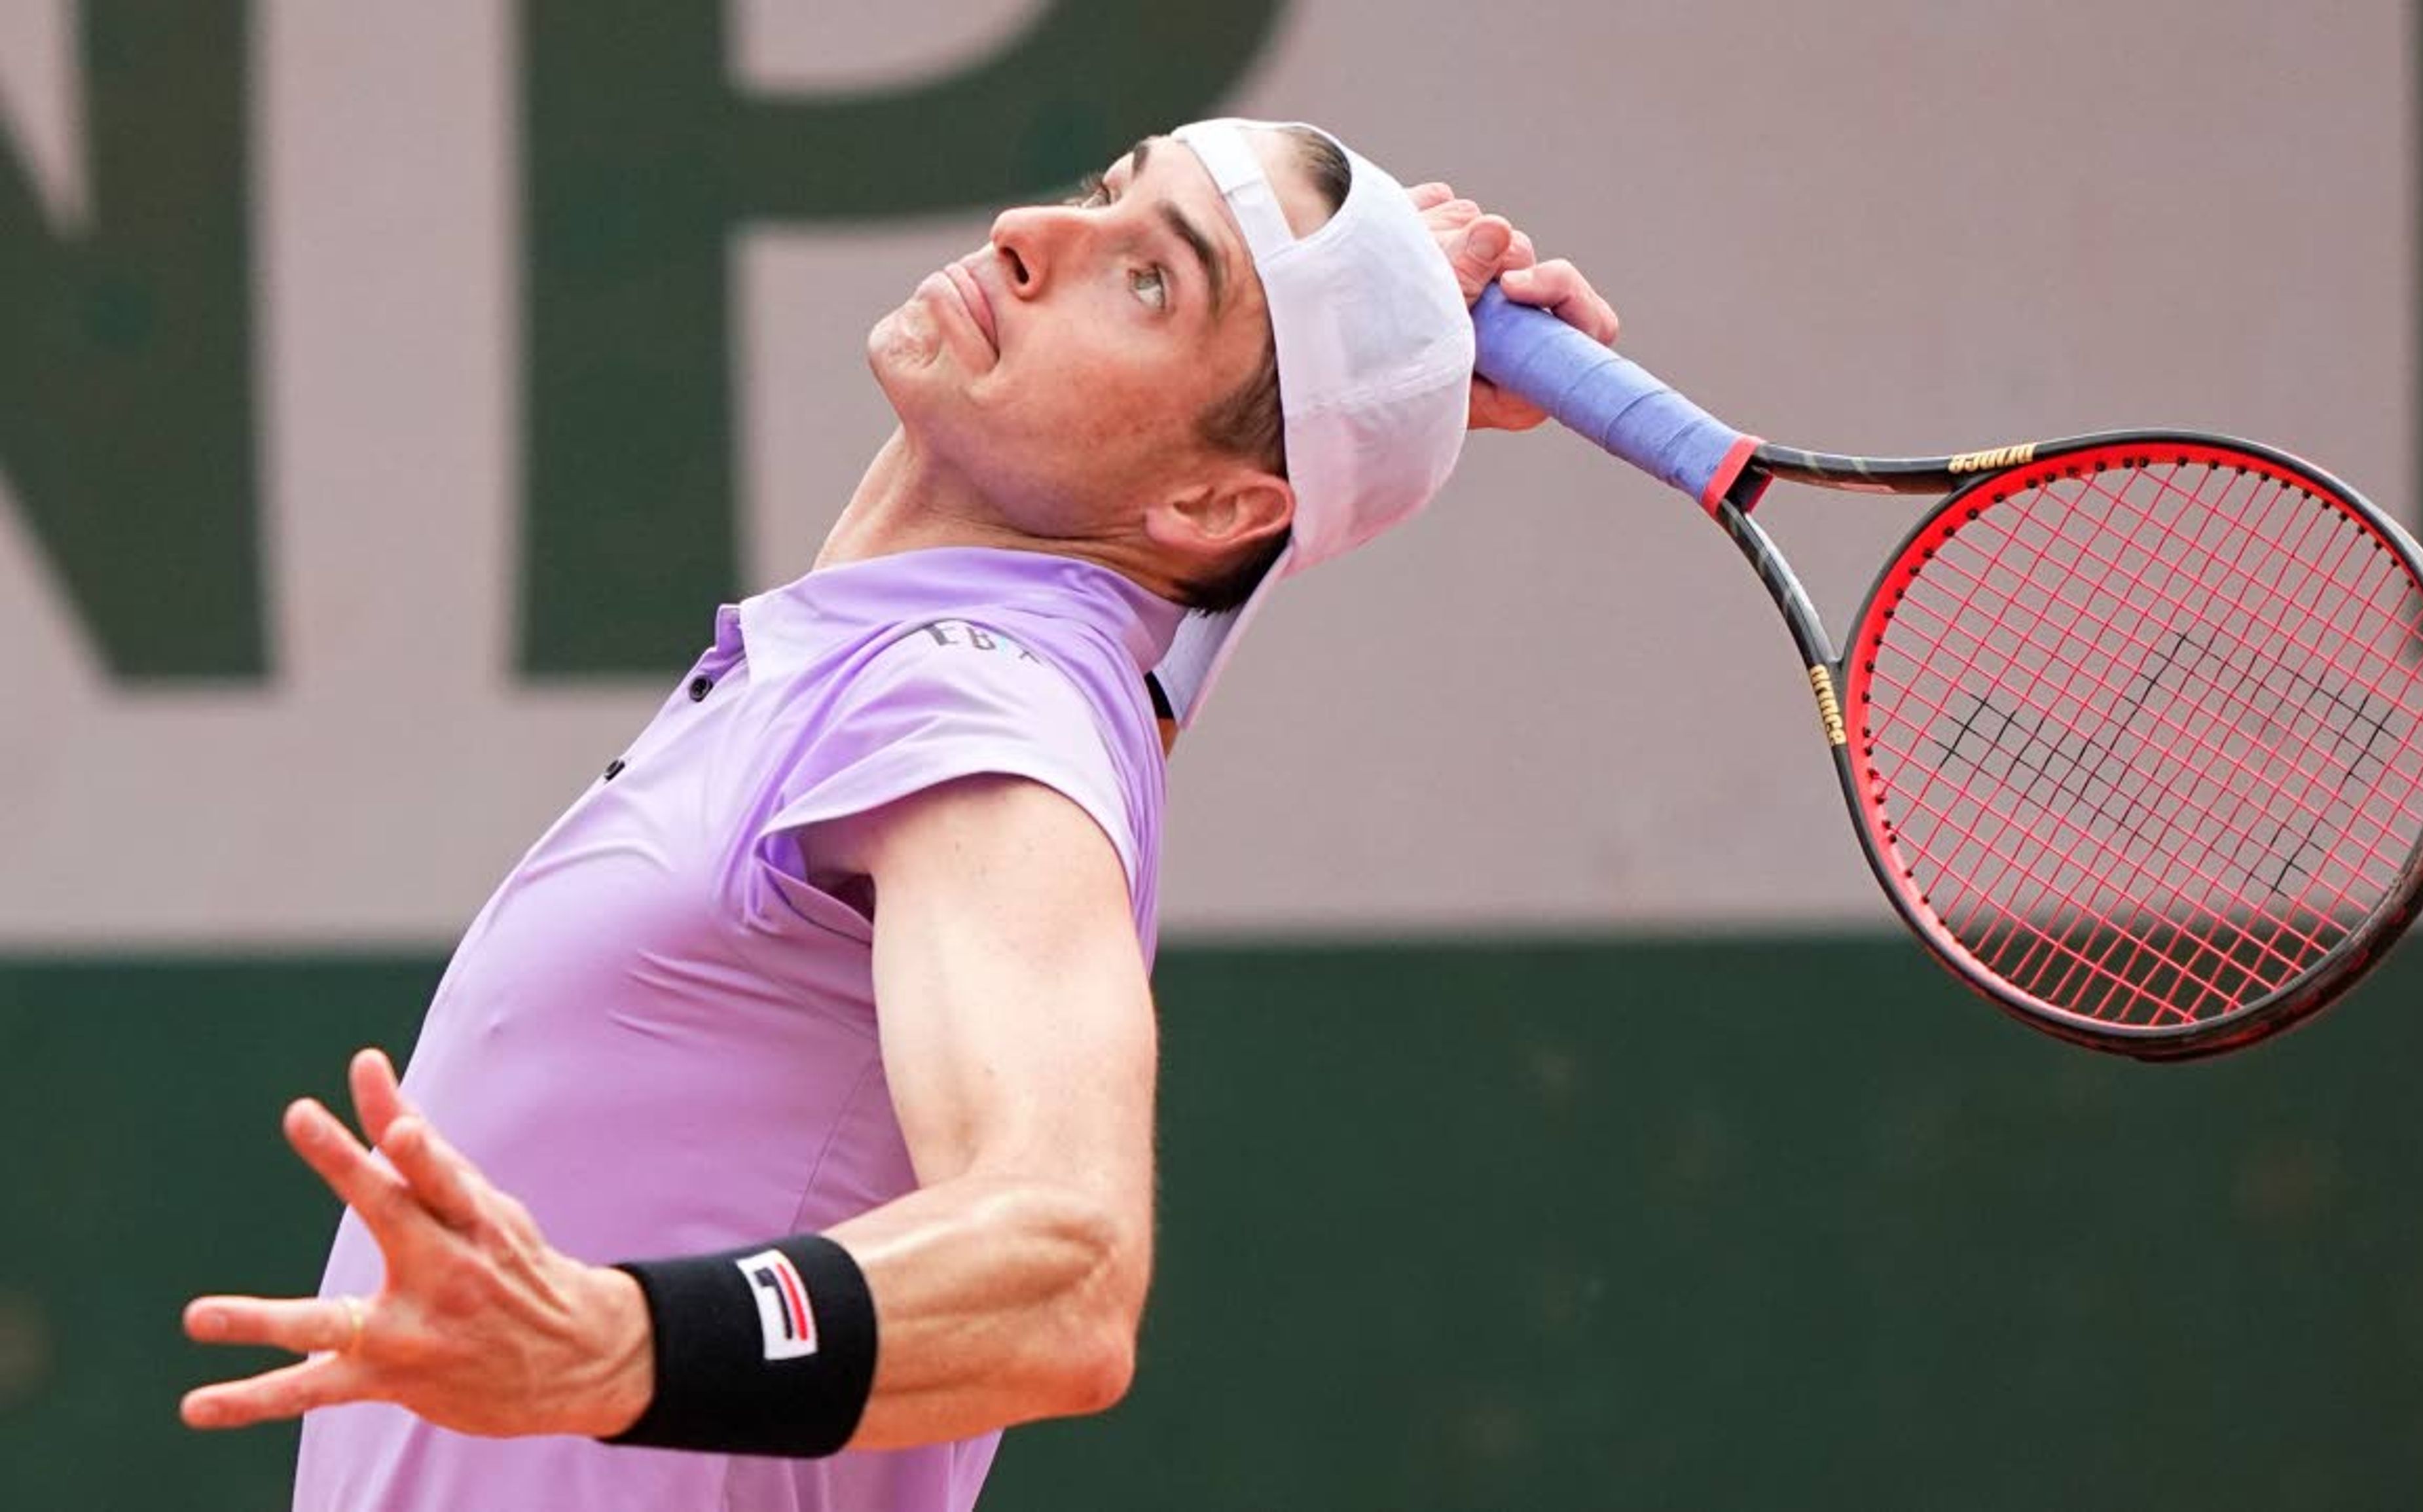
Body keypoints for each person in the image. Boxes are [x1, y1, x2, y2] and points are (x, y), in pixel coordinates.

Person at [179, 117, 1618, 1511]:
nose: (1032, 234)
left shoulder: (963, 714)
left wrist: (616, 1345)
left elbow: (1067, 1275)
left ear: (1202, 503)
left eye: (1148, 278)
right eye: (1104, 190)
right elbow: (1177, 574)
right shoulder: (927, 661)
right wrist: (1371, 352)